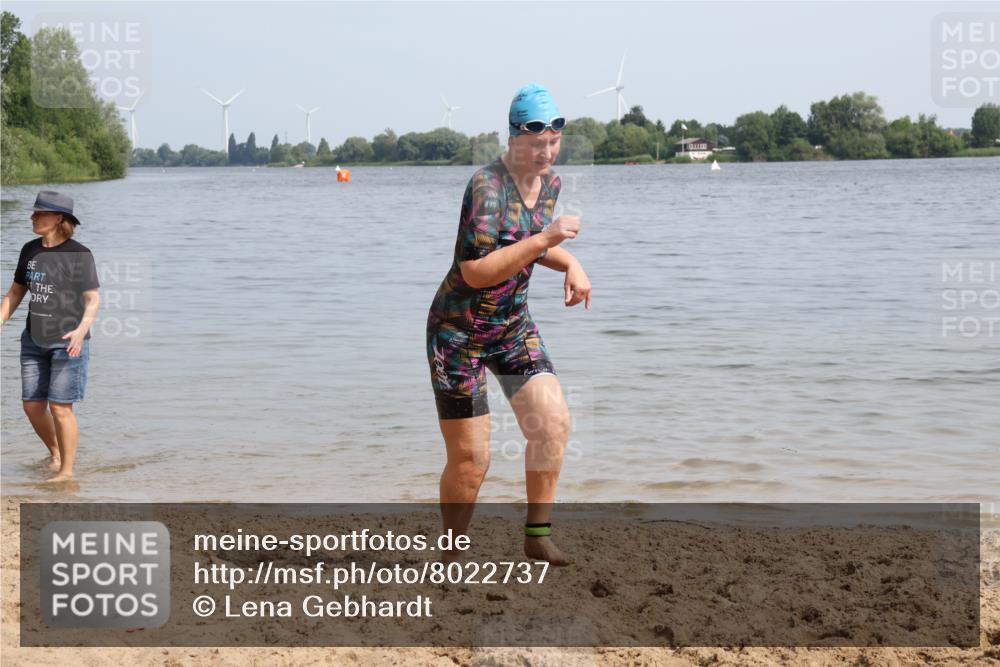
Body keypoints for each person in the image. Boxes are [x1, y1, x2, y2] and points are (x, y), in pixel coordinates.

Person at [426, 83, 591, 565]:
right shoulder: (487, 186)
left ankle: (536, 537)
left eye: (553, 143)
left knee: (553, 424)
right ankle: (452, 554)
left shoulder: (550, 184)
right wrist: (545, 240)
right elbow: (476, 270)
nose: (546, 152)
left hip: (511, 328)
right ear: (514, 137)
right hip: (457, 335)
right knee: (472, 459)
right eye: (536, 143)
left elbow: (526, 242)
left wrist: (570, 264)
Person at [0, 191, 101, 482]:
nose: (32, 216)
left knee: (60, 407)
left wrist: (81, 332)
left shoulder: (79, 254)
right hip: (33, 339)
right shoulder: (30, 250)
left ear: (59, 219)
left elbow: (92, 300)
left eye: (39, 213)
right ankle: (56, 453)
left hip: (67, 341)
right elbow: (17, 290)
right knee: (32, 406)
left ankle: (66, 472)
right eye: (34, 212)